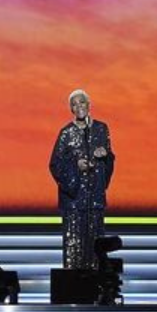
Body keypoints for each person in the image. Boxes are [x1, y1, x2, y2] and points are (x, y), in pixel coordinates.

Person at [49, 89, 115, 271]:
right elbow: (55, 165)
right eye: (74, 104)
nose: (79, 106)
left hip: (95, 200)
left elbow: (110, 161)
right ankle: (74, 286)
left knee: (96, 251)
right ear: (71, 108)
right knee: (75, 252)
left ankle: (96, 285)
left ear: (89, 105)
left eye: (82, 102)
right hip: (74, 203)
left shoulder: (101, 129)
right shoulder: (66, 133)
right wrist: (75, 166)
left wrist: (105, 156)